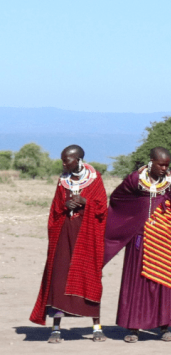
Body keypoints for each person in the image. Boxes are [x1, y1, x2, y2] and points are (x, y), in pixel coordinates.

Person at [104, 147, 171, 343]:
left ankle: (164, 327)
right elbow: (117, 198)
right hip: (140, 237)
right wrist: (135, 216)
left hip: (164, 237)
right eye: (161, 165)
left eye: (167, 165)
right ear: (151, 162)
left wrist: (159, 213)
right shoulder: (135, 180)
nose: (165, 169)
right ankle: (133, 328)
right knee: (137, 281)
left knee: (163, 280)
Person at [29, 145, 109, 343]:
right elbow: (55, 208)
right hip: (64, 236)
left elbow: (102, 208)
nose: (64, 164)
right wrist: (65, 206)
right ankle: (56, 329)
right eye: (63, 160)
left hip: (87, 236)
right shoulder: (62, 181)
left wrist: (84, 201)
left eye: (67, 160)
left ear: (79, 160)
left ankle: (97, 327)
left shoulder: (94, 178)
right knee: (59, 279)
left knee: (90, 277)